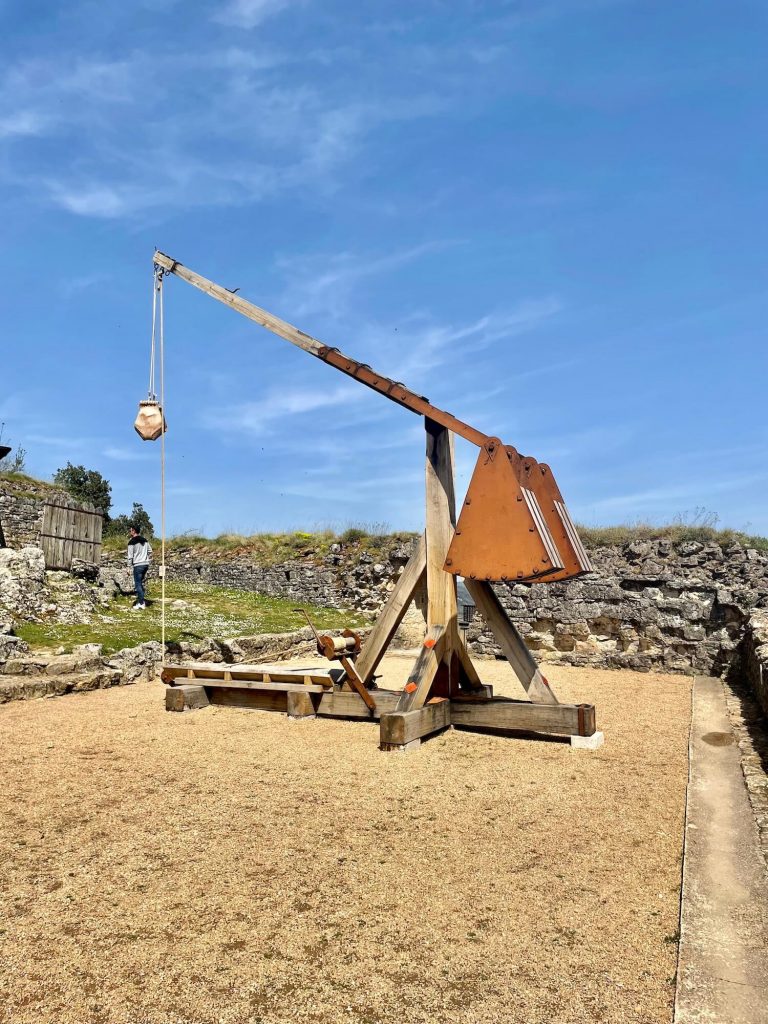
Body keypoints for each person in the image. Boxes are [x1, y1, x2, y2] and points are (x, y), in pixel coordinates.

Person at [127, 524, 152, 610]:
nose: (130, 532)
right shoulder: (145, 540)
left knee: (138, 584)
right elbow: (150, 550)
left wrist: (128, 567)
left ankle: (141, 603)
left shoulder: (131, 542)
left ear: (133, 531)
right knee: (140, 583)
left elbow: (130, 556)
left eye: (130, 530)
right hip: (145, 564)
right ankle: (140, 600)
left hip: (138, 565)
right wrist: (144, 556)